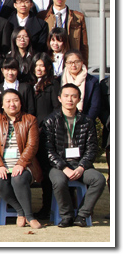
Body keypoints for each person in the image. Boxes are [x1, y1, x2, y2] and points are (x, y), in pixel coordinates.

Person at [44, 84, 107, 228]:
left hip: (80, 164)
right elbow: (48, 150)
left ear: (79, 99)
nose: (70, 99)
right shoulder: (50, 121)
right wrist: (63, 167)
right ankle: (67, 216)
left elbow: (92, 148)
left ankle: (82, 215)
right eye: (66, 96)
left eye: (73, 96)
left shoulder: (87, 121)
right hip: (59, 166)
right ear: (60, 98)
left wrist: (81, 167)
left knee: (98, 179)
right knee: (59, 181)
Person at [0, 89, 44, 229]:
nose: (12, 104)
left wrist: (21, 163)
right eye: (8, 101)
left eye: (15, 100)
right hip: (3, 164)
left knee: (18, 178)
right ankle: (20, 211)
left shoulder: (30, 119)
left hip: (26, 164)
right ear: (2, 104)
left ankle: (30, 216)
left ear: (21, 103)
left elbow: (32, 145)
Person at [39, 0, 89, 65]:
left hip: (71, 61)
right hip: (49, 60)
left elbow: (83, 45)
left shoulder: (78, 17)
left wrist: (84, 65)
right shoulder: (43, 16)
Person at [59, 50, 101, 120]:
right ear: (65, 64)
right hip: (62, 120)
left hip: (86, 121)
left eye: (77, 62)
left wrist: (86, 122)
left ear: (82, 62)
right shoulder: (59, 80)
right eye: (70, 62)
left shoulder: (92, 81)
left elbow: (95, 106)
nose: (73, 65)